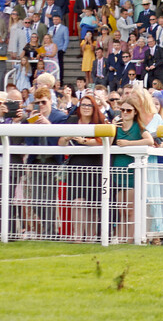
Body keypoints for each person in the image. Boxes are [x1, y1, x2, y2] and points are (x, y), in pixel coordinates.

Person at [58, 94, 107, 242]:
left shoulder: (99, 122)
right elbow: (60, 143)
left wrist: (85, 141)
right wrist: (67, 137)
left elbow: (104, 142)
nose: (86, 108)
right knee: (77, 202)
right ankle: (78, 237)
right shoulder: (72, 120)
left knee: (91, 204)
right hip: (76, 166)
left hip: (95, 166)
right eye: (83, 105)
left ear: (94, 108)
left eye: (89, 105)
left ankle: (91, 238)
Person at [112, 97, 154, 243]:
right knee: (121, 210)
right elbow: (108, 140)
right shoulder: (116, 126)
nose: (125, 113)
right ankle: (121, 238)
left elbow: (149, 140)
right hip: (117, 172)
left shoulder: (138, 126)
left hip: (132, 172)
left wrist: (129, 144)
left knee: (130, 210)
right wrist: (112, 127)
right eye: (122, 110)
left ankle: (129, 239)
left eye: (128, 110)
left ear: (135, 112)